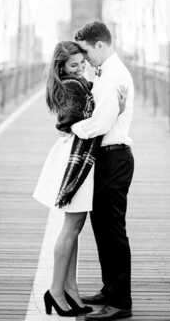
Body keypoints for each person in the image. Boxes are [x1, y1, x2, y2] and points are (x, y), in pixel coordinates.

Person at [33, 40, 126, 317]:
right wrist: (114, 114)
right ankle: (56, 290)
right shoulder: (73, 86)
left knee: (74, 225)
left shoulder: (77, 83)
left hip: (77, 156)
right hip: (76, 157)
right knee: (71, 227)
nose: (79, 68)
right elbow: (77, 125)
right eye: (73, 65)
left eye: (81, 63)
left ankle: (70, 287)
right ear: (61, 66)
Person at [72, 21, 135, 321]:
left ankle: (121, 301)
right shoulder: (105, 73)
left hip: (114, 157)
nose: (85, 59)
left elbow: (100, 123)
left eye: (86, 52)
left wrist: (71, 128)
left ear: (100, 44)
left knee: (113, 232)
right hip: (108, 158)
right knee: (102, 229)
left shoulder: (114, 76)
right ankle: (110, 289)